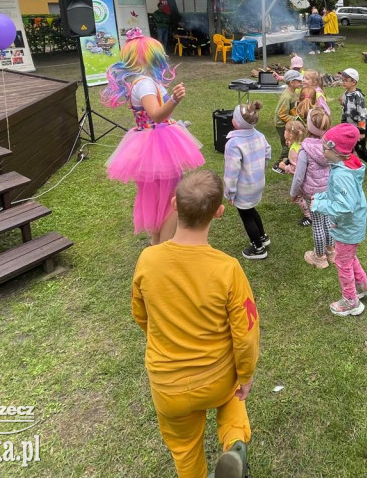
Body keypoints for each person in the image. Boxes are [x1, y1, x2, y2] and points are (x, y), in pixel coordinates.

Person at [132, 170, 259, 478]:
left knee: (184, 448)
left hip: (167, 385)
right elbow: (246, 331)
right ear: (219, 212)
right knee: (233, 395)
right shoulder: (228, 269)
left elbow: (140, 314)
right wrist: (246, 374)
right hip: (216, 379)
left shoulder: (147, 260)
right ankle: (235, 443)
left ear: (174, 204)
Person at [103, 29, 204, 246]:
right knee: (172, 200)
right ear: (149, 56)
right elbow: (157, 115)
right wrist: (174, 100)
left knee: (160, 198)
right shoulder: (145, 84)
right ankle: (164, 248)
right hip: (157, 143)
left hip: (150, 142)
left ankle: (157, 244)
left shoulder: (145, 81)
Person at [311, 124, 367, 317]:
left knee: (342, 262)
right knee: (348, 257)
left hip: (347, 227)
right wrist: (322, 197)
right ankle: (365, 285)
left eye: (325, 147)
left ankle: (351, 301)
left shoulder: (341, 175)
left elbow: (344, 206)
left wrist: (318, 206)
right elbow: (338, 196)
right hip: (352, 225)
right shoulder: (347, 163)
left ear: (337, 151)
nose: (322, 151)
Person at [223, 102, 272, 261]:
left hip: (244, 188)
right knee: (251, 210)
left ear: (235, 122)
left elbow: (231, 172)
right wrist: (261, 169)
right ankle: (263, 237)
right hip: (257, 183)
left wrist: (229, 192)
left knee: (246, 215)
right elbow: (267, 153)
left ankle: (258, 248)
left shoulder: (233, 144)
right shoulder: (260, 136)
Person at [293, 108, 335, 268]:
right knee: (328, 220)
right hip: (329, 191)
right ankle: (331, 251)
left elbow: (298, 176)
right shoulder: (330, 148)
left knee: (317, 223)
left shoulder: (305, 150)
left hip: (313, 195)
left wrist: (294, 193)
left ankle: (319, 257)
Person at [338, 67, 367, 174]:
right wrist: (343, 126)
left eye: (346, 80)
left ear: (354, 82)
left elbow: (362, 114)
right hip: (349, 128)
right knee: (348, 147)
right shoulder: (345, 95)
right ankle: (350, 166)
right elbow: (345, 112)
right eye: (343, 80)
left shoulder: (358, 96)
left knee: (361, 151)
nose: (343, 82)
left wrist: (362, 131)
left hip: (359, 128)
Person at [271, 70, 303, 172]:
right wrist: (295, 119)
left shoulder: (293, 92)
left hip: (288, 123)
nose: (300, 82)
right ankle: (278, 165)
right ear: (291, 82)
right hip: (282, 124)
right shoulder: (286, 96)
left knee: (291, 143)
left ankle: (287, 162)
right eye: (298, 81)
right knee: (286, 145)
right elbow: (282, 114)